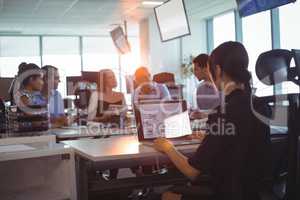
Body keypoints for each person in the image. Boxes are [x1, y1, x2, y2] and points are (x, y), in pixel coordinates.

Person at [154, 42, 271, 200]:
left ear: (217, 69)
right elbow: (241, 140)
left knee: (168, 195)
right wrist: (211, 137)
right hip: (252, 192)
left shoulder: (224, 112)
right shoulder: (260, 105)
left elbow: (192, 172)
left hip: (227, 193)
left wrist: (168, 148)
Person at [190, 54, 220, 119]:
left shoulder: (220, 86)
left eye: (196, 69)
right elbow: (202, 111)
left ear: (206, 68)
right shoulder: (200, 88)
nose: (194, 73)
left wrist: (205, 115)